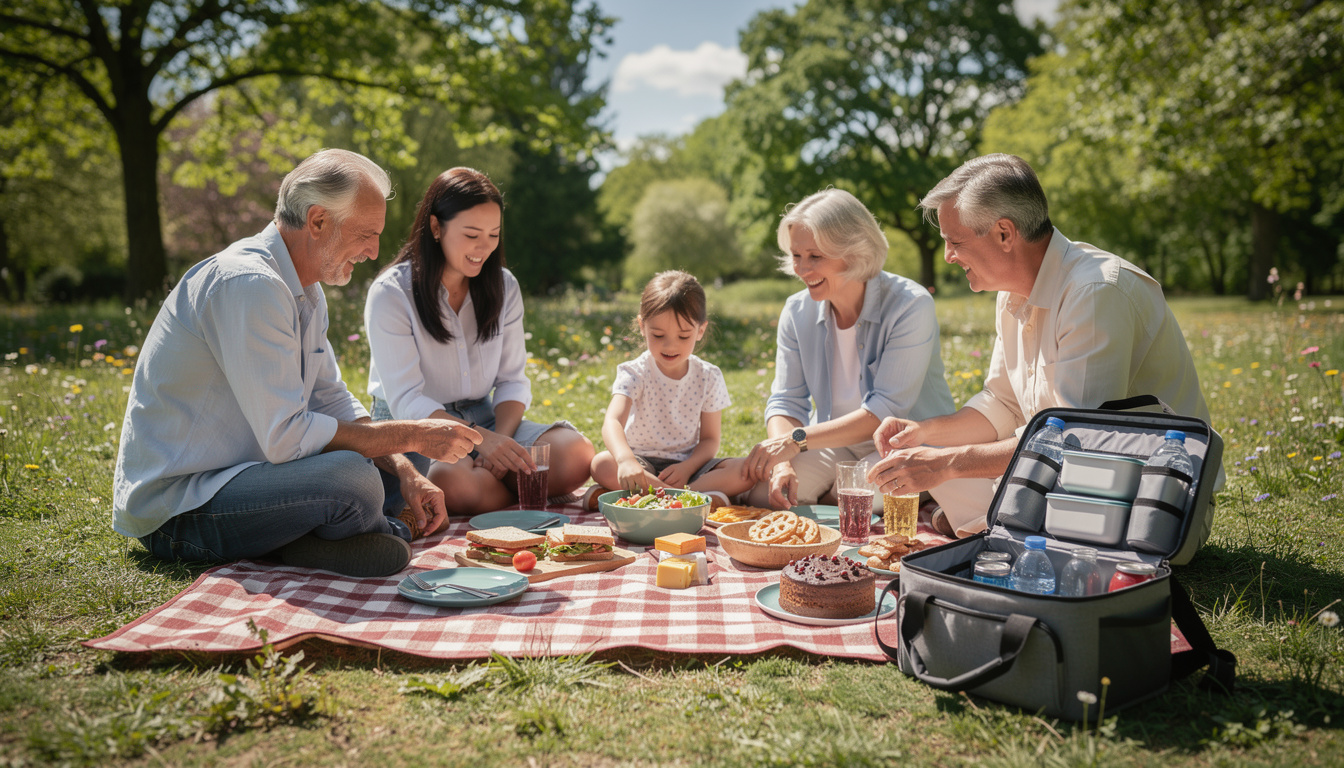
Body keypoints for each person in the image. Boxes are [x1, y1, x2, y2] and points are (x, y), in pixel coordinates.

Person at [113, 149, 482, 578]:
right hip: (183, 508)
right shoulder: (250, 284)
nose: (374, 251)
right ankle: (381, 530)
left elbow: (332, 400)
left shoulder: (304, 289)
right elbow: (287, 438)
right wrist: (412, 434)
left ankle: (317, 537)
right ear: (318, 221)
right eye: (366, 234)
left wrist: (405, 466)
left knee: (406, 455)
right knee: (355, 475)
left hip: (256, 475)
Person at [868, 153, 1217, 539]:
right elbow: (1002, 404)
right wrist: (923, 432)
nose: (948, 256)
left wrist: (948, 463)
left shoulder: (1094, 291)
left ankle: (987, 527)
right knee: (932, 463)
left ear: (1004, 233)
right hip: (1069, 474)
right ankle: (988, 525)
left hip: (1151, 499)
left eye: (955, 241)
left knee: (949, 468)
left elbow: (1078, 440)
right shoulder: (1012, 294)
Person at [364, 167, 595, 516]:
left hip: (486, 418)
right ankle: (515, 490)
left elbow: (512, 381)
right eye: (471, 234)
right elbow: (407, 399)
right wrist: (483, 443)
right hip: (420, 426)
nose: (484, 247)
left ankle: (493, 488)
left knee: (575, 455)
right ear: (436, 227)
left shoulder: (504, 286)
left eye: (493, 234)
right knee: (455, 483)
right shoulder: (391, 293)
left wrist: (499, 442)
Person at [739, 188, 966, 511]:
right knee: (767, 495)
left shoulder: (910, 304)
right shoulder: (796, 311)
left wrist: (794, 441)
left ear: (855, 252)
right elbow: (786, 400)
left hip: (905, 445)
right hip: (834, 443)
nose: (802, 269)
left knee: (851, 498)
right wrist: (782, 461)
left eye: (815, 256)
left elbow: (884, 410)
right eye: (796, 255)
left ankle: (848, 501)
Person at [586, 270, 751, 505]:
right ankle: (690, 500)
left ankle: (651, 497)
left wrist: (687, 467)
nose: (670, 346)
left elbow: (710, 440)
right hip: (641, 465)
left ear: (700, 330)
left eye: (683, 336)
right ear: (642, 326)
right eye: (658, 335)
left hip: (689, 468)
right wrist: (625, 460)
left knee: (746, 470)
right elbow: (612, 421)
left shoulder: (709, 376)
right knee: (601, 463)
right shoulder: (635, 372)